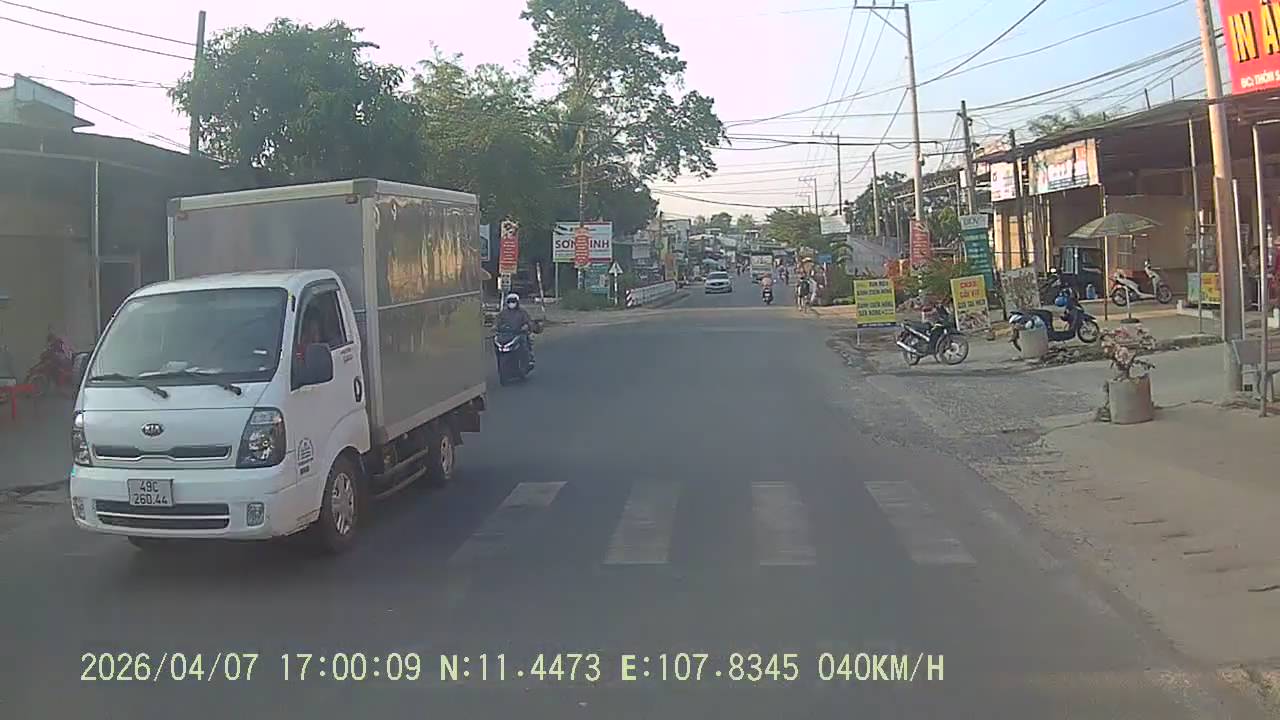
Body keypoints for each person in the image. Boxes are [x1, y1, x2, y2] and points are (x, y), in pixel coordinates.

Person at [496, 293, 536, 365]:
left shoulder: (522, 312)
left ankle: (528, 360)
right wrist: (495, 327)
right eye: (509, 301)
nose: (511, 303)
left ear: (517, 302)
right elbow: (497, 321)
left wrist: (526, 326)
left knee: (524, 342)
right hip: (506, 334)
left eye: (513, 301)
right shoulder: (503, 313)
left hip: (519, 333)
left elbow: (528, 321)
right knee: (497, 343)